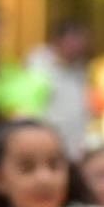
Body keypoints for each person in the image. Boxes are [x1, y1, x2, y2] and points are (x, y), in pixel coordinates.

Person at [27, 20, 93, 159]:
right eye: (74, 40)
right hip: (47, 140)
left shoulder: (79, 68)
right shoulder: (39, 65)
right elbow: (30, 105)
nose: (78, 47)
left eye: (81, 41)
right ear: (59, 40)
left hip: (74, 143)